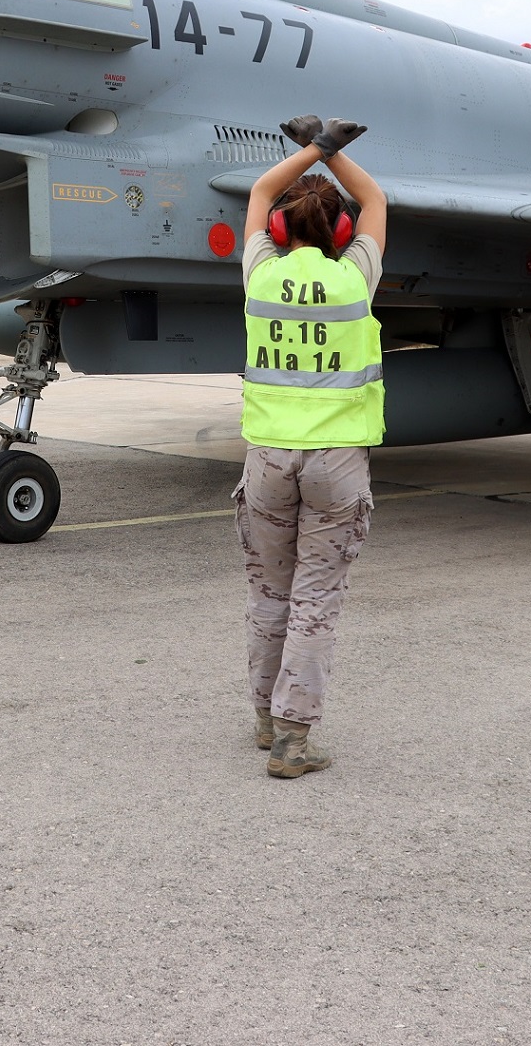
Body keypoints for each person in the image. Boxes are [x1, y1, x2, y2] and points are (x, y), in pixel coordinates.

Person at [236, 114, 389, 779]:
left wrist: (312, 151)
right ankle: (293, 741)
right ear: (344, 233)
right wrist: (339, 152)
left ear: (277, 231)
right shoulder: (356, 277)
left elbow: (261, 195)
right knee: (315, 599)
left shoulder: (260, 273)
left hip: (267, 458)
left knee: (269, 592)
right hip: (335, 462)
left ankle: (266, 719)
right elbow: (378, 201)